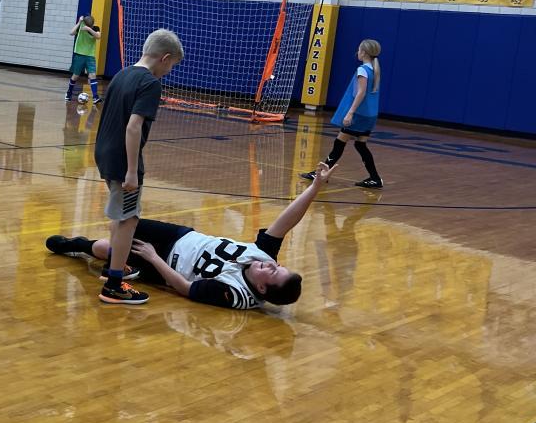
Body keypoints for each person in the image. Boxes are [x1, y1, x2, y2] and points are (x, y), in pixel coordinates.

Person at [46, 163, 335, 310]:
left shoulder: (235, 294)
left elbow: (185, 288)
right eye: (277, 265)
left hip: (166, 265)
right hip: (182, 237)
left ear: (260, 288)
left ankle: (78, 246)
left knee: (109, 247)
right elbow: (286, 221)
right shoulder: (263, 258)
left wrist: (154, 258)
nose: (271, 264)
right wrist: (315, 189)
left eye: (272, 272)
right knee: (124, 223)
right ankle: (115, 260)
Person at [94, 28, 184, 305]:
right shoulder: (150, 83)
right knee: (129, 220)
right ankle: (113, 285)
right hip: (123, 159)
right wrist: (132, 171)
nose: (168, 71)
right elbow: (133, 127)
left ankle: (114, 265)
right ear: (164, 58)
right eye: (171, 65)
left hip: (104, 152)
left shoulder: (122, 74)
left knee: (121, 215)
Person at [301, 39, 383, 188]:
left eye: (359, 50)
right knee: (360, 145)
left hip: (359, 114)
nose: (357, 52)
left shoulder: (363, 69)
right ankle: (375, 178)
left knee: (339, 143)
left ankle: (322, 174)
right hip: (370, 115)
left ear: (364, 52)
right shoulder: (374, 69)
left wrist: (350, 113)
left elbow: (361, 93)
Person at [65, 14, 102, 104]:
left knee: (92, 75)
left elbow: (98, 36)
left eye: (91, 26)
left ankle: (95, 97)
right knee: (75, 76)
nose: (91, 27)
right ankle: (69, 94)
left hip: (90, 56)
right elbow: (71, 33)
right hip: (79, 55)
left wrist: (89, 29)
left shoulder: (95, 28)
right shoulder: (80, 27)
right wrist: (79, 22)